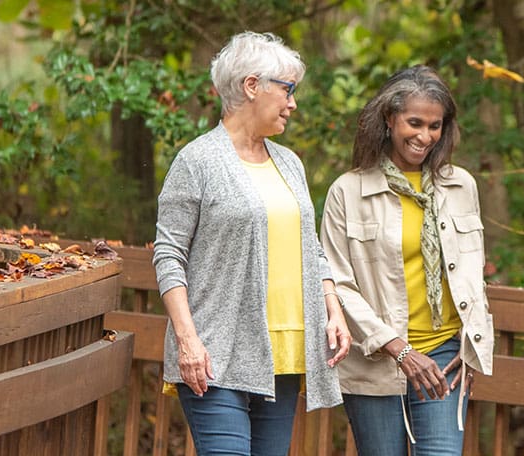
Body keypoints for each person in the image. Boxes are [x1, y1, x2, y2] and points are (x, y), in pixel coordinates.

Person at [150, 31, 351, 456]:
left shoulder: (290, 163)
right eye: (288, 89)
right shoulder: (197, 161)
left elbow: (310, 248)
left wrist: (332, 307)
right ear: (251, 86)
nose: (293, 103)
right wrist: (188, 341)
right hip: (215, 355)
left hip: (282, 355)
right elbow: (169, 256)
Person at [322, 66, 493, 456]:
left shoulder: (461, 186)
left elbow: (471, 276)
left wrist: (471, 350)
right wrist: (398, 349)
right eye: (414, 123)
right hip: (376, 359)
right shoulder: (347, 191)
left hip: (444, 356)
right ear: (389, 118)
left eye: (435, 126)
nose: (424, 136)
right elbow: (336, 283)